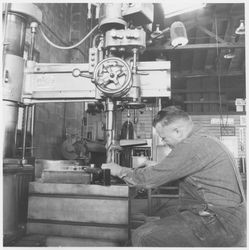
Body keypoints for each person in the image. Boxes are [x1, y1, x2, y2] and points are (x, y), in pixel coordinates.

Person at [102, 106, 246, 247]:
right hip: (229, 218)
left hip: (220, 223)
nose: (165, 142)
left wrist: (120, 170)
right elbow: (183, 170)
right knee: (161, 214)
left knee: (143, 236)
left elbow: (149, 179)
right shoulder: (204, 138)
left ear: (177, 131)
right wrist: (160, 167)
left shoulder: (191, 145)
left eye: (164, 138)